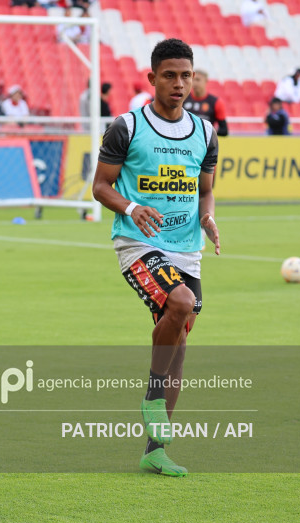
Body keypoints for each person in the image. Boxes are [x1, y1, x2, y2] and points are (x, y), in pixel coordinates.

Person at [92, 38, 220, 478]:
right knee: (179, 303)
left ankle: (155, 450)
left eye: (186, 75)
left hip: (188, 251)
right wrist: (131, 207)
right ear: (152, 78)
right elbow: (101, 186)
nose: (179, 83)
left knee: (180, 344)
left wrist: (208, 218)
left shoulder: (206, 132)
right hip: (139, 244)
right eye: (169, 75)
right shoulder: (126, 127)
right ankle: (150, 399)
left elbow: (205, 190)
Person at [182, 69, 228, 136]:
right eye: (193, 79)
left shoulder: (216, 102)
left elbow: (224, 130)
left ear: (206, 81)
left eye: (198, 80)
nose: (194, 83)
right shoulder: (183, 99)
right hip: (185, 141)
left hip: (204, 144)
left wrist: (208, 133)